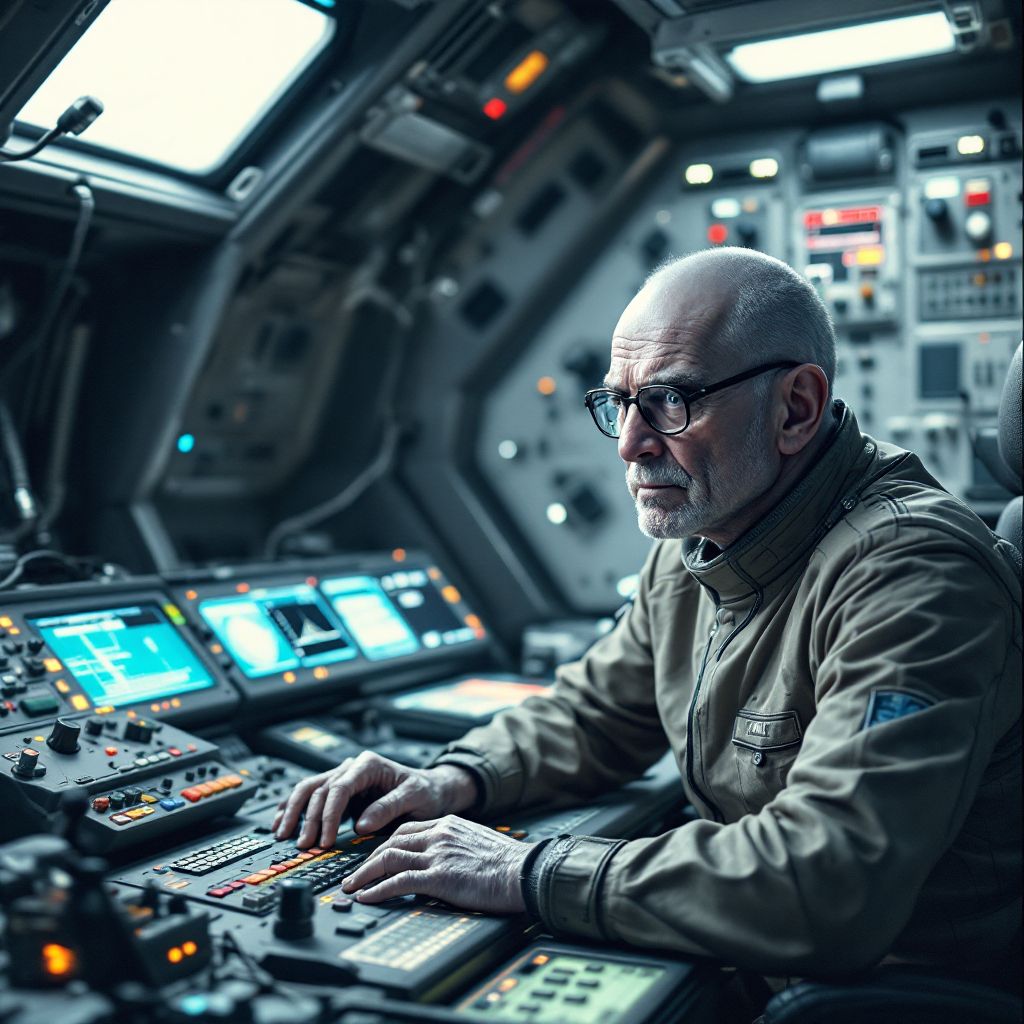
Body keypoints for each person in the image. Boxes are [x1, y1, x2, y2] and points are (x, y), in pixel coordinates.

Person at [274, 247, 1022, 981]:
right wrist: (452, 778)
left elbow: (826, 883)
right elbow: (595, 714)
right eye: (618, 402)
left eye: (671, 400)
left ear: (796, 407)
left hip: (910, 983)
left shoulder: (912, 572)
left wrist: (527, 868)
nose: (631, 444)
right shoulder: (708, 529)